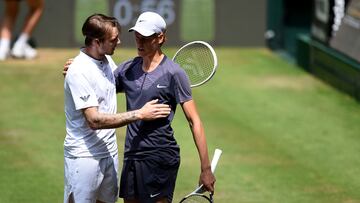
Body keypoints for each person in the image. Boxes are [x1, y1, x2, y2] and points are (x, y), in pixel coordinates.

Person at [63, 14, 171, 203]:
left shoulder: (106, 62)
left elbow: (119, 82)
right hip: (84, 158)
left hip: (109, 154)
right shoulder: (79, 71)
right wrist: (139, 114)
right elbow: (94, 120)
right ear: (97, 41)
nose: (119, 42)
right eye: (113, 39)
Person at [115, 12, 216, 203]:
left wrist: (206, 168)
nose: (139, 42)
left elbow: (194, 120)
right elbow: (99, 86)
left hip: (160, 157)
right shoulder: (127, 69)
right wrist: (79, 67)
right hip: (131, 156)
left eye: (145, 38)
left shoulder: (174, 73)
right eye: (137, 36)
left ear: (160, 37)